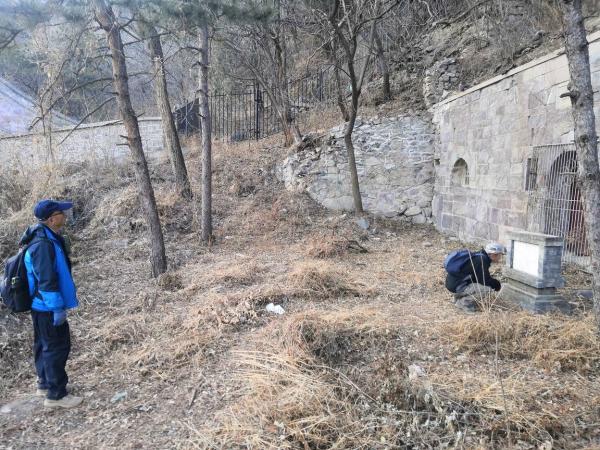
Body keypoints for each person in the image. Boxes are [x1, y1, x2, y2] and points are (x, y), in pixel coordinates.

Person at [20, 199, 82, 409]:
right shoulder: (43, 245)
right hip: (46, 307)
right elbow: (46, 280)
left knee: (44, 345)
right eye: (61, 213)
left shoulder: (44, 237)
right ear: (51, 219)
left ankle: (45, 384)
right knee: (57, 347)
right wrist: (57, 308)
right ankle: (56, 395)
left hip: (40, 306)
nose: (64, 215)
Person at [445, 242, 506, 311]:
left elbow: (476, 277)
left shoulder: (478, 255)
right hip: (457, 286)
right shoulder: (482, 260)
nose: (500, 258)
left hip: (452, 283)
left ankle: (457, 297)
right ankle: (463, 303)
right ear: (494, 254)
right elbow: (484, 281)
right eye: (500, 255)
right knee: (487, 289)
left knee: (478, 285)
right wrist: (497, 284)